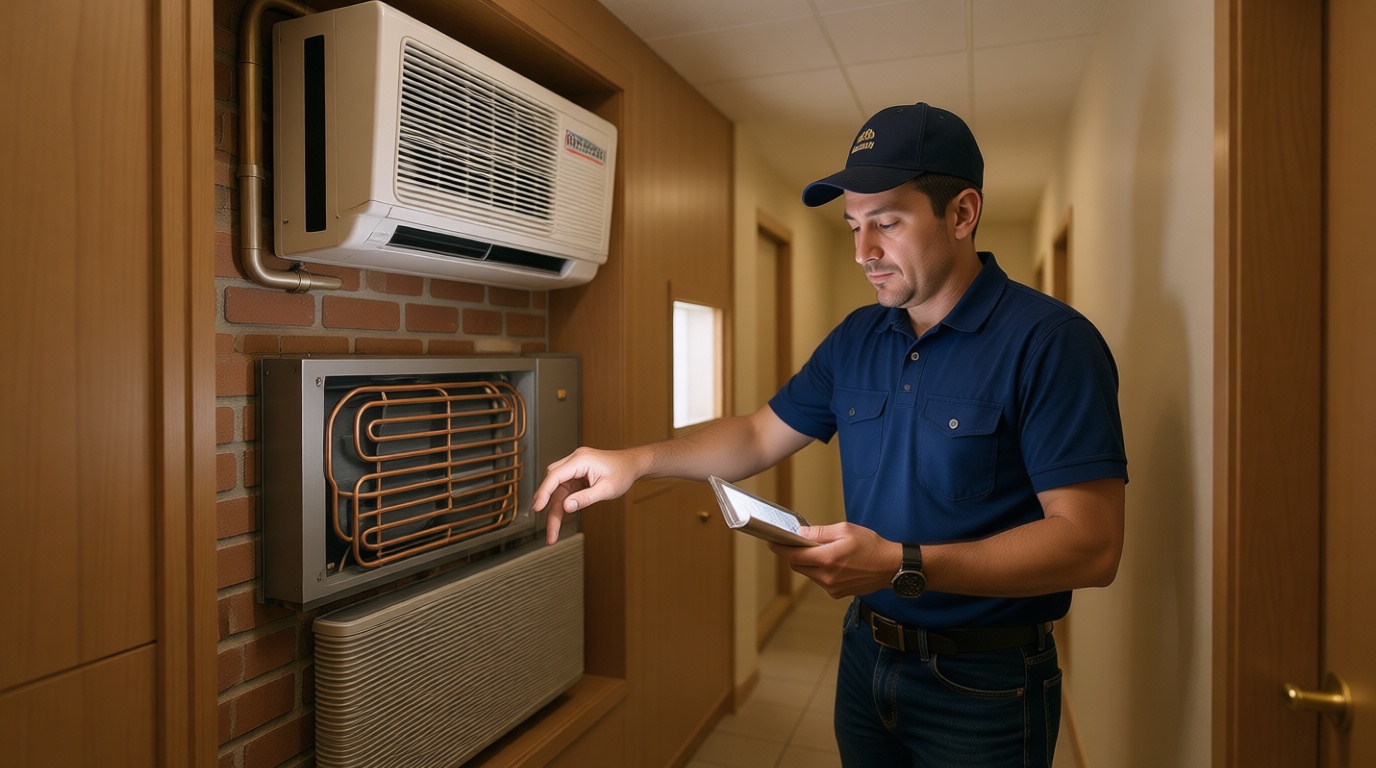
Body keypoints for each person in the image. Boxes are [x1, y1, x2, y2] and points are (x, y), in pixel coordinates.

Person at [532, 102, 1127, 767]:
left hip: (986, 684)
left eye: (887, 224)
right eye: (851, 226)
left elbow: (1091, 545)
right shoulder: (858, 338)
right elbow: (759, 436)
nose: (862, 253)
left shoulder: (1051, 343)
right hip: (865, 660)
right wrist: (638, 459)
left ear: (962, 213)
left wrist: (905, 564)